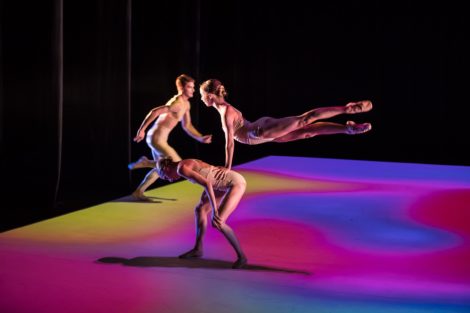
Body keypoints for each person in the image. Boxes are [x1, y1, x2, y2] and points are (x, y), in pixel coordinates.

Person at [199, 79, 373, 169]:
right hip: (266, 136)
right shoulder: (224, 109)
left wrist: (228, 167)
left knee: (305, 119)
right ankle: (348, 129)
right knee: (308, 132)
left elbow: (229, 142)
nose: (200, 99)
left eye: (201, 95)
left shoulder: (225, 112)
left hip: (262, 132)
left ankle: (346, 109)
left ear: (210, 96)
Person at [131, 156, 248, 269]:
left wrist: (215, 209)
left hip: (235, 183)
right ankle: (198, 249)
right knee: (200, 209)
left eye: (167, 178)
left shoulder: (181, 169)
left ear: (166, 168)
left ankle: (241, 257)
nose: (170, 180)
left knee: (218, 222)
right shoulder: (182, 164)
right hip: (220, 185)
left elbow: (207, 184)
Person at [129, 74, 212, 200]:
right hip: (156, 138)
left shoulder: (186, 105)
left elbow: (187, 125)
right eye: (190, 87)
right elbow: (155, 111)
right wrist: (142, 130)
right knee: (177, 165)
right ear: (182, 88)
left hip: (157, 138)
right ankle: (146, 162)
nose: (193, 90)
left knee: (160, 170)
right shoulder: (177, 103)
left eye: (193, 87)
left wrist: (200, 138)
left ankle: (138, 192)